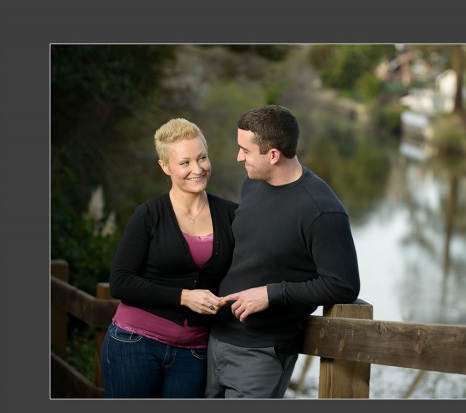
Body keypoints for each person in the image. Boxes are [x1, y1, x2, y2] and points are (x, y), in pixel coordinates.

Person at [206, 105, 360, 398]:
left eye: (245, 150)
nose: (239, 157)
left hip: (261, 354)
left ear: (273, 155)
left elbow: (343, 285)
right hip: (215, 341)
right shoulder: (253, 183)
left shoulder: (322, 210)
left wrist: (271, 293)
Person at [104, 118, 237, 397]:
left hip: (195, 352)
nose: (197, 169)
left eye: (202, 158)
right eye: (185, 162)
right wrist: (185, 296)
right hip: (135, 343)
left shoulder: (231, 215)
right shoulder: (148, 215)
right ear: (165, 166)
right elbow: (120, 282)